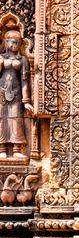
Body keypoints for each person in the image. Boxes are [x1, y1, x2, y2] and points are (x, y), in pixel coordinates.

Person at [0, 29, 32, 158]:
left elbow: (24, 81)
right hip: (1, 93)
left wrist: (26, 101)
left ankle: (17, 149)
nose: (15, 45)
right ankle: (2, 149)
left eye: (18, 42)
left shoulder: (22, 60)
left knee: (16, 119)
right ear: (6, 43)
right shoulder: (1, 58)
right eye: (12, 42)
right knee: (1, 120)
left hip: (17, 94)